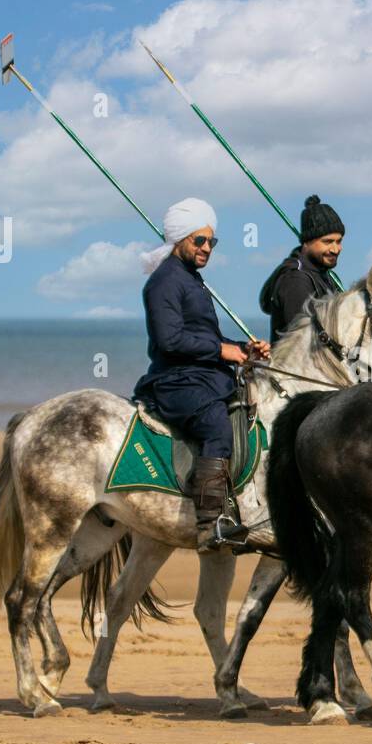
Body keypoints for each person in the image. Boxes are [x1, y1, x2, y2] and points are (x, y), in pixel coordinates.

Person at [131, 197, 271, 551]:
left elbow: (207, 338)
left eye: (212, 242)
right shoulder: (163, 282)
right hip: (175, 381)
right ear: (179, 240)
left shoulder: (193, 280)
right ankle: (211, 525)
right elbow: (170, 339)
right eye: (199, 240)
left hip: (203, 376)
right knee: (215, 425)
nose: (207, 248)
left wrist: (243, 350)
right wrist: (222, 351)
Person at [259, 195, 344, 343]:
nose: (335, 249)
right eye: (328, 242)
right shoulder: (296, 279)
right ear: (307, 242)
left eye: (339, 241)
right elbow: (305, 340)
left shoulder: (327, 276)